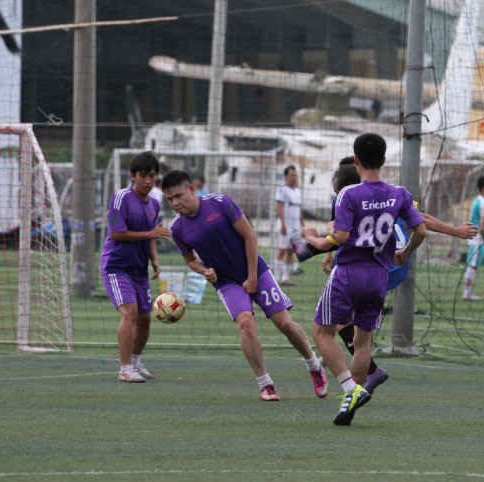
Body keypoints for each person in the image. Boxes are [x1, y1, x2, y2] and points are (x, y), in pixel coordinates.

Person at [298, 160, 477, 395]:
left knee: (337, 322)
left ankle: (360, 375)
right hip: (393, 265)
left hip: (376, 264)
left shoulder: (345, 198)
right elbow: (421, 220)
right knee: (358, 326)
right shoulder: (391, 195)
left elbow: (338, 237)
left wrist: (311, 243)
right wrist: (456, 231)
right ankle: (361, 373)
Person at [161, 170, 329, 401]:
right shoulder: (177, 228)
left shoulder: (220, 202)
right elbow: (190, 261)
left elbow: (250, 236)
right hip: (226, 282)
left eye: (178, 196)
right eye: (170, 199)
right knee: (246, 323)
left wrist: (251, 277)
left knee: (284, 323)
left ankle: (313, 366)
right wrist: (205, 271)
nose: (175, 203)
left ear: (191, 189)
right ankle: (265, 383)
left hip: (256, 271)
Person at [306, 133, 427, 425]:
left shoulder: (349, 194)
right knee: (363, 343)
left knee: (322, 334)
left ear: (356, 161)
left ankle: (349, 389)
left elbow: (341, 236)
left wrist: (312, 239)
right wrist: (404, 252)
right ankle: (350, 404)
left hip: (348, 273)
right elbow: (421, 230)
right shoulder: (399, 193)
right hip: (378, 276)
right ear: (384, 160)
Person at [100, 151, 171, 383]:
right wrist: (151, 233)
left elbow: (151, 236)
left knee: (145, 318)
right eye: (143, 175)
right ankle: (124, 368)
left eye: (152, 175)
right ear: (133, 176)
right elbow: (116, 233)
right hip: (117, 266)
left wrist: (154, 259)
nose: (148, 180)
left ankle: (136, 362)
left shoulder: (155, 203)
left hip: (139, 268)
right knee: (130, 313)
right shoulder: (121, 198)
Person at [463, 175, 484, 300]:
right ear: (483, 187)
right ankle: (467, 293)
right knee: (473, 265)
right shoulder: (480, 202)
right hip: (477, 238)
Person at [274, 165, 304, 286]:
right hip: (286, 225)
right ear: (286, 177)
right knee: (282, 250)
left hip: (296, 226)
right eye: (292, 175)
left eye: (295, 175)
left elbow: (300, 209)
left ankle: (285, 279)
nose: (294, 177)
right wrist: (283, 224)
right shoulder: (282, 190)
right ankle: (275, 278)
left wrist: (303, 225)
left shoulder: (297, 191)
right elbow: (279, 207)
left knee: (291, 250)